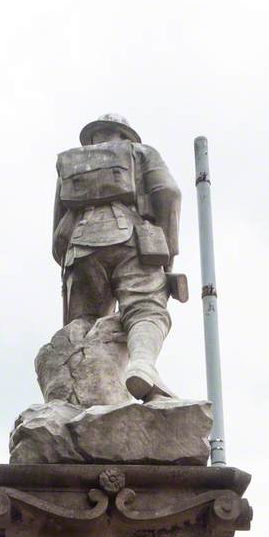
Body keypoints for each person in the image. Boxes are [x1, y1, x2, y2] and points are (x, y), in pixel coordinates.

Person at [52, 114, 182, 401]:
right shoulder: (141, 153)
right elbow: (168, 192)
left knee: (84, 324)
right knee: (146, 309)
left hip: (80, 247)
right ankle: (142, 365)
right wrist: (167, 249)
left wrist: (69, 258)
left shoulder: (71, 164)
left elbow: (58, 228)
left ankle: (79, 398)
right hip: (132, 240)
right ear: (125, 135)